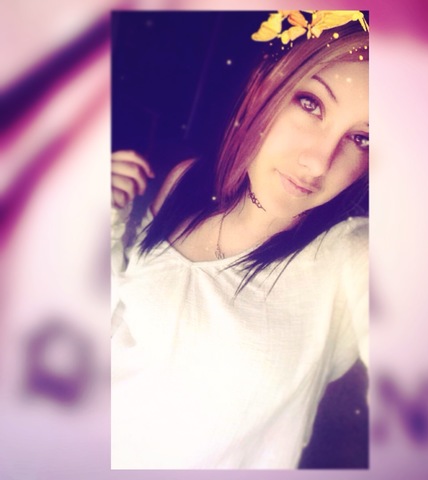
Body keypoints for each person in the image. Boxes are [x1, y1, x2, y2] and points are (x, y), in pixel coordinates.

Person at [111, 11, 369, 469]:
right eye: (310, 104)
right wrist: (105, 221)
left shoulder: (350, 255)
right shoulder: (185, 183)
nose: (318, 163)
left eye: (362, 138)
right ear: (263, 87)